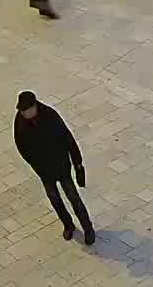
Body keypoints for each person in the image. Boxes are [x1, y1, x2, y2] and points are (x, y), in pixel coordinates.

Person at [14, 92, 94, 244]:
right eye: (22, 111)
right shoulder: (20, 121)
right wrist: (35, 165)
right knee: (55, 200)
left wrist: (77, 162)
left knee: (73, 198)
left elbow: (68, 138)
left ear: (34, 107)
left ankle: (88, 228)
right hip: (44, 171)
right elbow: (21, 147)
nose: (23, 114)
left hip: (61, 166)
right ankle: (68, 225)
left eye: (26, 110)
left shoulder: (50, 115)